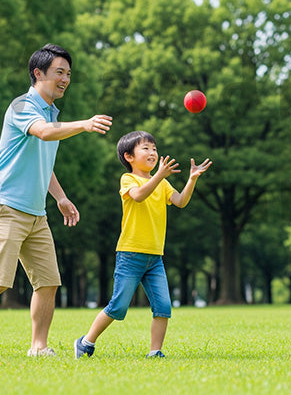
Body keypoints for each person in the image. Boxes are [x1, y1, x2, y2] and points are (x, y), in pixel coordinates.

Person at [0, 44, 113, 358]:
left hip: (36, 213)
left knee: (48, 281)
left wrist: (61, 198)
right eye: (58, 73)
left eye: (68, 74)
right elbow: (42, 134)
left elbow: (42, 163)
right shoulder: (23, 105)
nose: (65, 79)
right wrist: (84, 124)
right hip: (5, 206)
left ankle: (39, 346)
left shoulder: (52, 113)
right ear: (38, 73)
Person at [74, 130, 211, 359]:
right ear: (129, 156)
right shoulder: (128, 179)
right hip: (130, 254)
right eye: (145, 148)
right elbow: (138, 196)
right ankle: (86, 342)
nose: (152, 152)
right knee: (118, 307)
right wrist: (158, 176)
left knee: (163, 307)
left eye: (154, 148)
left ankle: (155, 351)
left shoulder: (163, 182)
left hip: (154, 257)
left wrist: (192, 179)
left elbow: (180, 201)